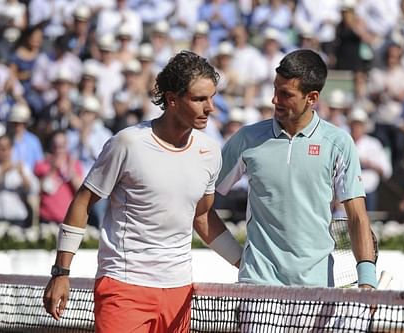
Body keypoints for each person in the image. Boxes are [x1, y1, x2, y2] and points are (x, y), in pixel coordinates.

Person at [42, 51, 243, 332]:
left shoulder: (209, 151)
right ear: (172, 100)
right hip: (124, 288)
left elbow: (202, 216)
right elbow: (82, 203)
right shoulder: (127, 143)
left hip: (179, 290)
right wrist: (61, 272)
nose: (210, 107)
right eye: (199, 99)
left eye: (211, 97)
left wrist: (244, 263)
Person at [208, 49, 378, 289]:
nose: (274, 100)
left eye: (285, 94)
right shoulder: (247, 138)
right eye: (275, 89)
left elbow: (358, 217)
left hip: (317, 290)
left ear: (312, 98)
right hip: (258, 287)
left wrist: (368, 281)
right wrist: (239, 258)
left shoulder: (339, 143)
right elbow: (200, 203)